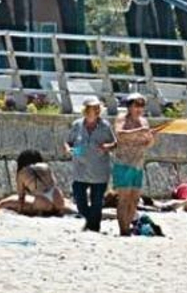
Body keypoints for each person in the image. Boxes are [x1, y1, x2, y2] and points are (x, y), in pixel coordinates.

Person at [66, 96, 116, 232]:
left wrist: (107, 147)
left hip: (99, 170)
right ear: (85, 110)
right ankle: (90, 220)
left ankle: (94, 227)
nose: (94, 111)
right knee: (80, 202)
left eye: (96, 108)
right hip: (80, 170)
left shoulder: (105, 126)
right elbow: (68, 142)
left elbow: (115, 143)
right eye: (91, 108)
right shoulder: (77, 125)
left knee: (97, 203)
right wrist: (68, 148)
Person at [111, 93, 156, 236]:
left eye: (142, 105)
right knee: (124, 198)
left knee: (135, 198)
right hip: (123, 163)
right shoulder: (121, 118)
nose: (139, 108)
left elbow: (149, 142)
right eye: (136, 105)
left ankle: (128, 227)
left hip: (138, 164)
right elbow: (120, 134)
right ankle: (123, 230)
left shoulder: (144, 121)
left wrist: (150, 138)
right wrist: (139, 132)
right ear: (129, 106)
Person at [0, 150, 73, 215]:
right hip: (57, 197)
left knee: (9, 201)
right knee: (63, 206)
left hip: (42, 202)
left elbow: (21, 198)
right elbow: (54, 183)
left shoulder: (21, 173)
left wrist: (20, 211)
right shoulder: (45, 166)